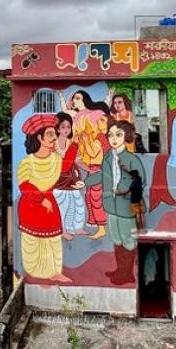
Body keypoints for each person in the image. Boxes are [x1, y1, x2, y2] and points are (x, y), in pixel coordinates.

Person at [17, 113, 83, 282]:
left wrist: (75, 145)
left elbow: (65, 167)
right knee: (33, 242)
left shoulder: (55, 159)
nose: (54, 138)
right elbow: (24, 186)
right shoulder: (27, 162)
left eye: (54, 133)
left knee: (53, 240)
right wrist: (41, 199)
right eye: (50, 134)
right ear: (40, 138)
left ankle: (55, 272)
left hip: (50, 208)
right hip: (31, 208)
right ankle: (35, 273)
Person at [83, 119, 145, 285]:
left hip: (126, 205)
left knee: (128, 239)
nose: (114, 139)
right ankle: (120, 270)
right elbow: (102, 175)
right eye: (110, 135)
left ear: (126, 136)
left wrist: (123, 189)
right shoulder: (108, 157)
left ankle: (127, 273)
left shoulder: (131, 159)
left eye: (118, 134)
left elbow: (140, 180)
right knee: (116, 238)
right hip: (111, 205)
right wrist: (85, 182)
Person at [60, 90, 111, 239]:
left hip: (97, 161)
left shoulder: (94, 116)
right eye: (73, 98)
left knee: (95, 196)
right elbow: (65, 111)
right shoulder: (76, 116)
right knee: (90, 196)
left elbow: (98, 140)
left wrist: (109, 95)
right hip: (90, 162)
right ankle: (93, 221)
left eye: (77, 98)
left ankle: (101, 226)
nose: (74, 101)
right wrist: (61, 97)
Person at [52, 111, 88, 239]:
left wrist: (89, 169)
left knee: (77, 203)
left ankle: (76, 228)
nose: (66, 129)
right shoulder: (53, 144)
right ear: (57, 129)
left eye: (68, 126)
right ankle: (63, 230)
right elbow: (62, 165)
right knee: (63, 205)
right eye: (63, 127)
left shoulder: (71, 142)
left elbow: (77, 160)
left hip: (72, 178)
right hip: (59, 179)